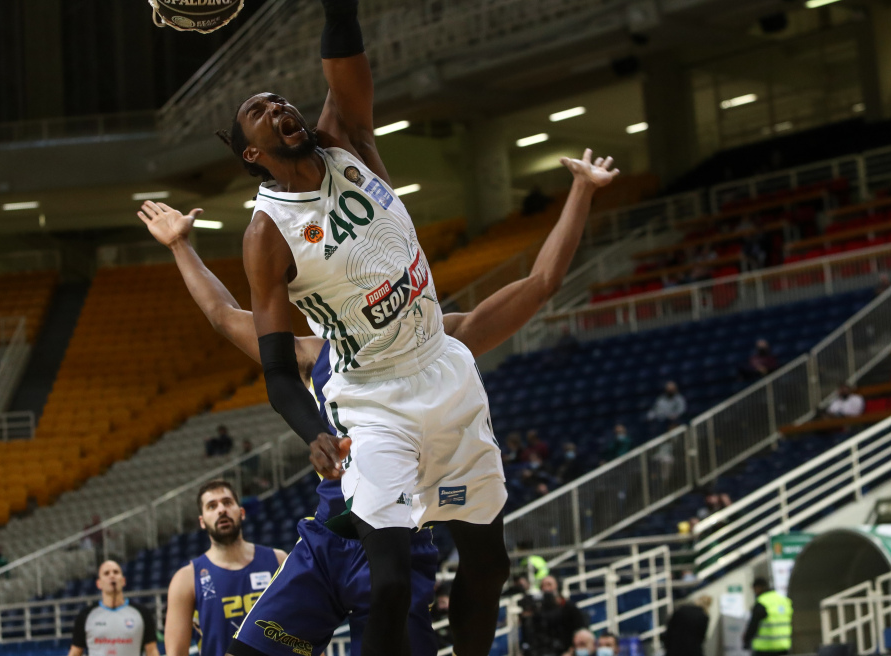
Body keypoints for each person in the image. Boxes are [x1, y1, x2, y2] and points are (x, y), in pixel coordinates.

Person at [221, 0, 620, 649]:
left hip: (441, 372)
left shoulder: (347, 137)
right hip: (372, 399)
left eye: (279, 100)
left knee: (489, 566)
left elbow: (345, 51)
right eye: (260, 112)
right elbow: (271, 364)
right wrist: (314, 433)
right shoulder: (268, 234)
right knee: (388, 583)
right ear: (251, 152)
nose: (278, 108)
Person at [139, 129, 616, 656]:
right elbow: (224, 316)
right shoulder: (310, 352)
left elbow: (538, 283)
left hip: (397, 547)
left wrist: (582, 192)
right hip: (329, 544)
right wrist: (181, 245)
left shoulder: (433, 340)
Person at [164, 480, 287, 656]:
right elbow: (176, 653)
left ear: (242, 512)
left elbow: (306, 628)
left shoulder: (278, 560)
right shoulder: (186, 579)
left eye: (227, 502)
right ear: (202, 521)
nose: (221, 509)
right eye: (212, 506)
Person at [69, 560, 159, 656]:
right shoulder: (86, 616)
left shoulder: (142, 613)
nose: (112, 576)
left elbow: (152, 650)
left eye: (116, 572)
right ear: (99, 583)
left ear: (123, 581)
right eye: (106, 573)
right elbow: (75, 652)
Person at [522, 575, 586, 656]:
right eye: (543, 586)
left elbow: (581, 631)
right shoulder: (538, 611)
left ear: (558, 587)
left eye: (549, 584)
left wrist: (572, 651)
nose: (546, 589)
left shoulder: (569, 608)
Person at [742, 578, 792, 656]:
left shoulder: (762, 602)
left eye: (754, 590)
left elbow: (753, 625)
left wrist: (746, 640)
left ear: (758, 588)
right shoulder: (784, 600)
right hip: (783, 647)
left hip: (765, 648)